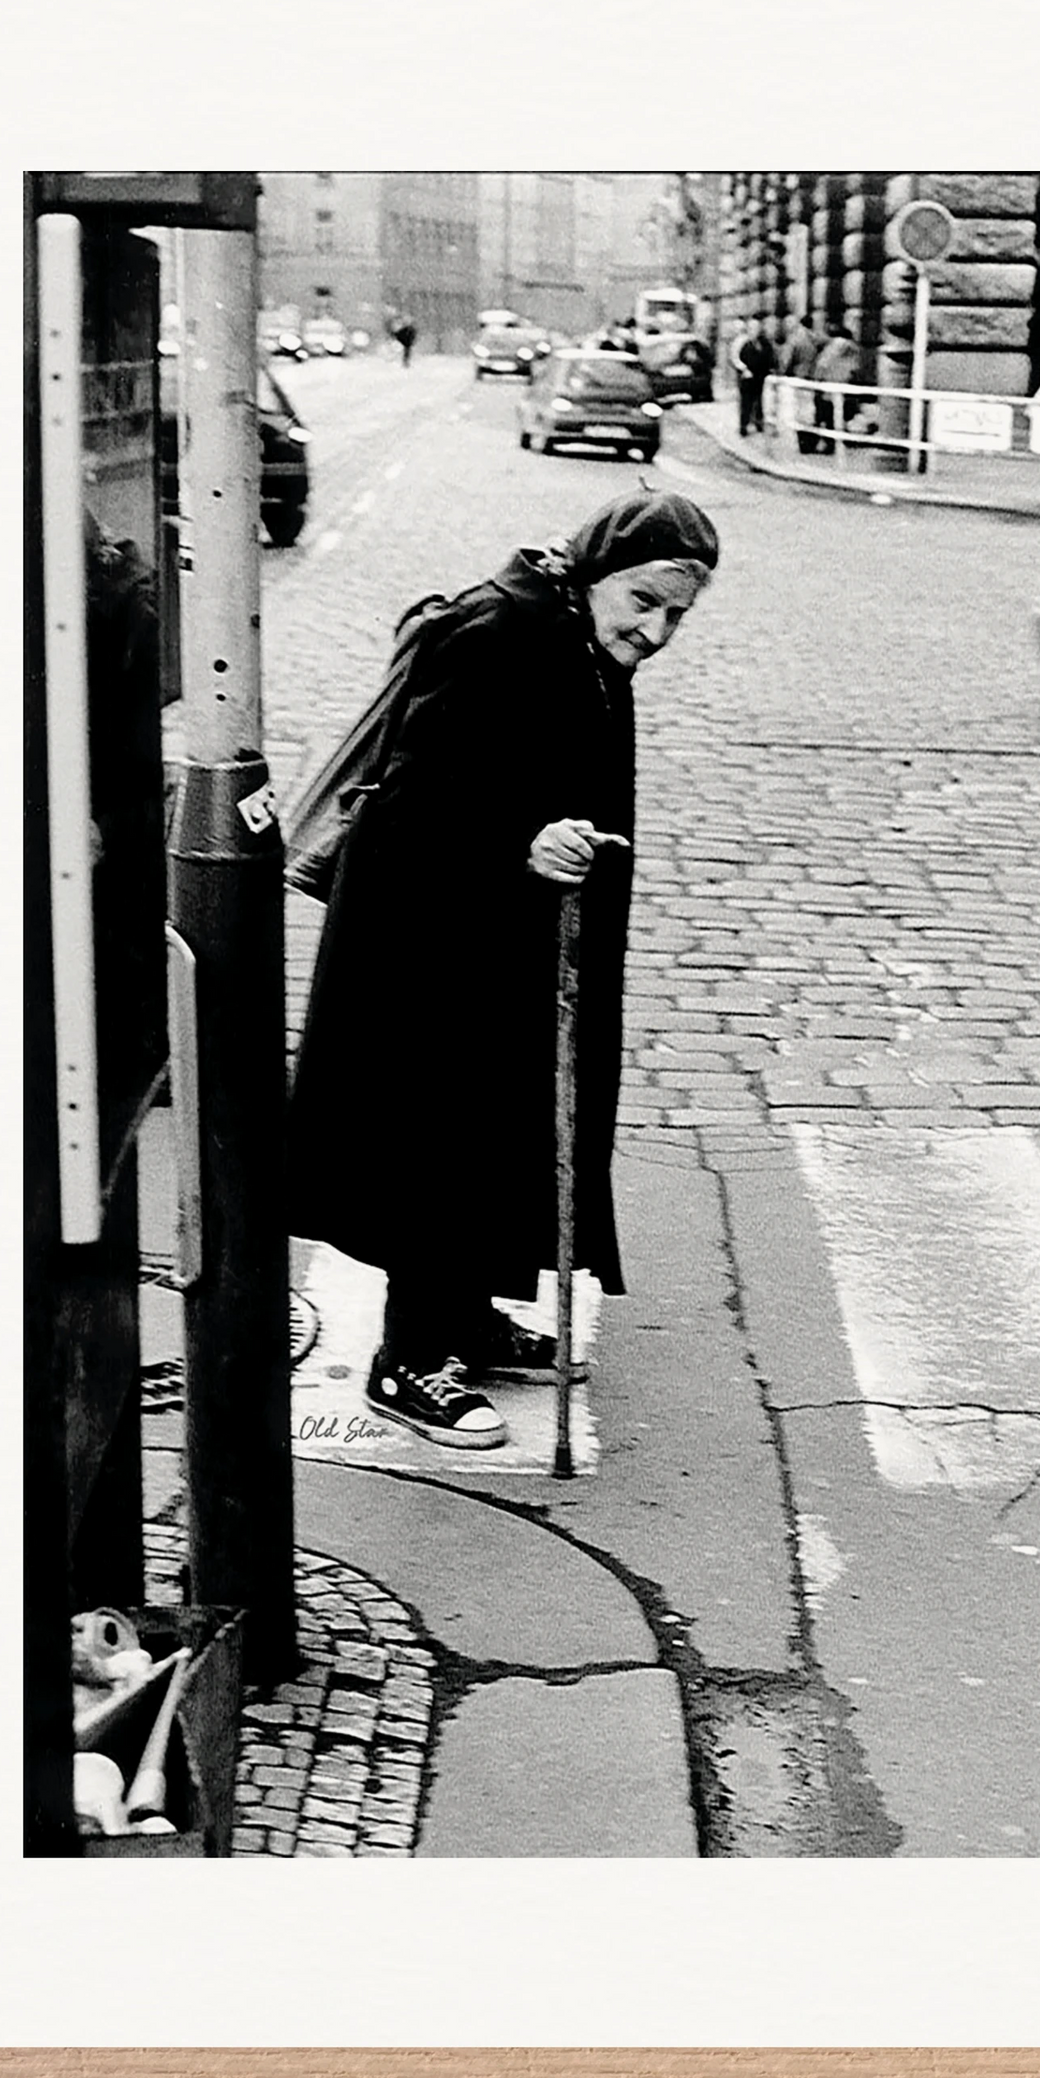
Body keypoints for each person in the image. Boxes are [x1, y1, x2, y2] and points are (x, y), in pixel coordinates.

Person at [284, 490, 723, 1449]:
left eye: (676, 616)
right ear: (596, 570)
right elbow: (407, 809)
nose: (654, 630)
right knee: (444, 1134)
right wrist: (520, 848)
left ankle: (467, 1314)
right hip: (434, 946)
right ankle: (408, 1362)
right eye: (644, 601)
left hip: (513, 937)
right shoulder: (495, 633)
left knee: (505, 1125)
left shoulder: (575, 633)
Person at [810, 323, 860, 449]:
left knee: (825, 416)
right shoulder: (852, 348)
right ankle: (834, 440)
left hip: (828, 387)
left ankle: (827, 442)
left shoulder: (834, 346)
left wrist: (817, 381)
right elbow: (855, 368)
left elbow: (822, 365)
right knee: (837, 415)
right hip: (844, 386)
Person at [780, 313, 823, 449]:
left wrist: (784, 373)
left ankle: (804, 443)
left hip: (799, 378)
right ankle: (812, 441)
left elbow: (787, 360)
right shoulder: (817, 338)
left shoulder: (795, 339)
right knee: (811, 412)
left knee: (801, 412)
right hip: (815, 378)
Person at [730, 317, 775, 436]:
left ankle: (758, 423)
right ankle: (743, 426)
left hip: (760, 377)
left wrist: (769, 369)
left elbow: (769, 357)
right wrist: (744, 369)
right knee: (746, 403)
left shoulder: (764, 343)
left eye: (756, 328)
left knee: (759, 401)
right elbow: (735, 358)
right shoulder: (743, 342)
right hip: (746, 378)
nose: (754, 331)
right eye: (752, 328)